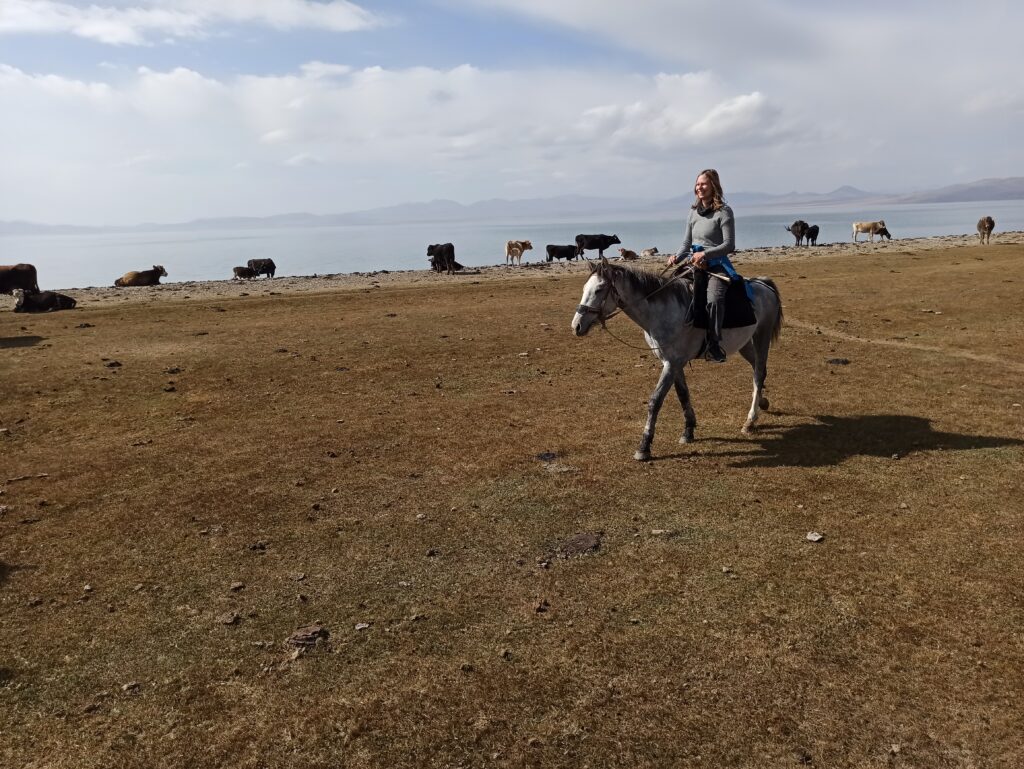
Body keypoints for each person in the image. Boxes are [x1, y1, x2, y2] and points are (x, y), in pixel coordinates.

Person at [666, 168, 737, 362]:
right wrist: (677, 257)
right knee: (669, 290)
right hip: (694, 265)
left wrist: (705, 253)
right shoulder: (692, 213)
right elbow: (686, 244)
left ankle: (714, 344)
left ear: (713, 186)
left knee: (714, 300)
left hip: (717, 265)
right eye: (697, 184)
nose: (699, 187)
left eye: (703, 184)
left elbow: (729, 245)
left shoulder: (724, 212)